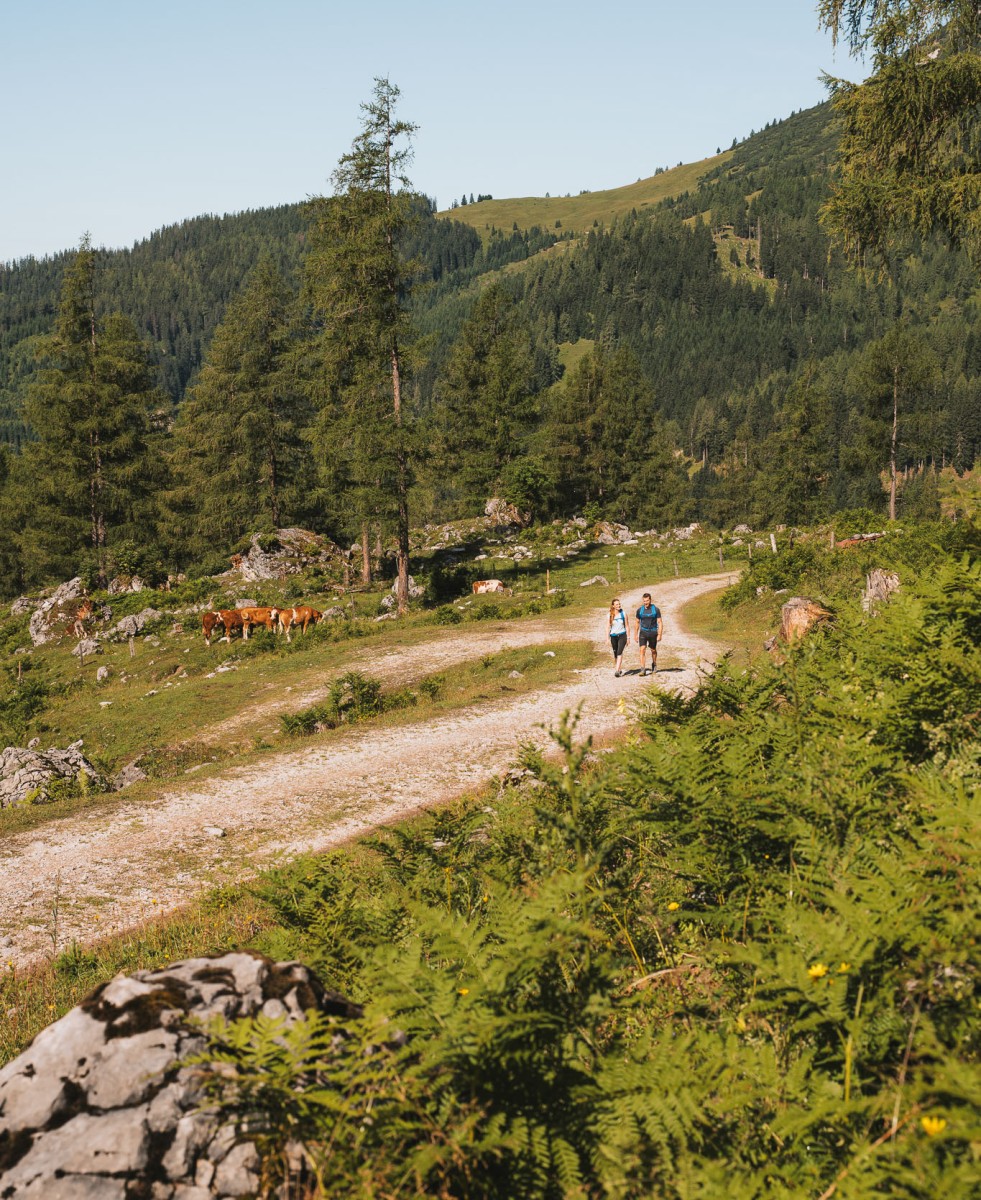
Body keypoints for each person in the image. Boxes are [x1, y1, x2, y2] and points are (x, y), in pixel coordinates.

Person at [636, 592, 662, 676]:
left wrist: (660, 634)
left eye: (647, 601)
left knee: (653, 650)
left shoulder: (656, 610)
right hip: (643, 632)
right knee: (642, 649)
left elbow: (660, 622)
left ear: (650, 600)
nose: (645, 602)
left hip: (653, 633)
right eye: (644, 601)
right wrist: (635, 634)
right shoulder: (640, 610)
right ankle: (642, 669)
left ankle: (654, 664)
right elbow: (637, 622)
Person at [607, 598, 631, 677]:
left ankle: (617, 671)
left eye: (619, 604)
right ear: (613, 606)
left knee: (619, 652)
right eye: (617, 604)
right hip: (613, 636)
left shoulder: (623, 614)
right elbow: (608, 627)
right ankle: (619, 668)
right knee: (615, 654)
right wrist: (607, 638)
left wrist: (628, 638)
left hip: (622, 635)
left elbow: (627, 626)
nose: (619, 605)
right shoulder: (609, 615)